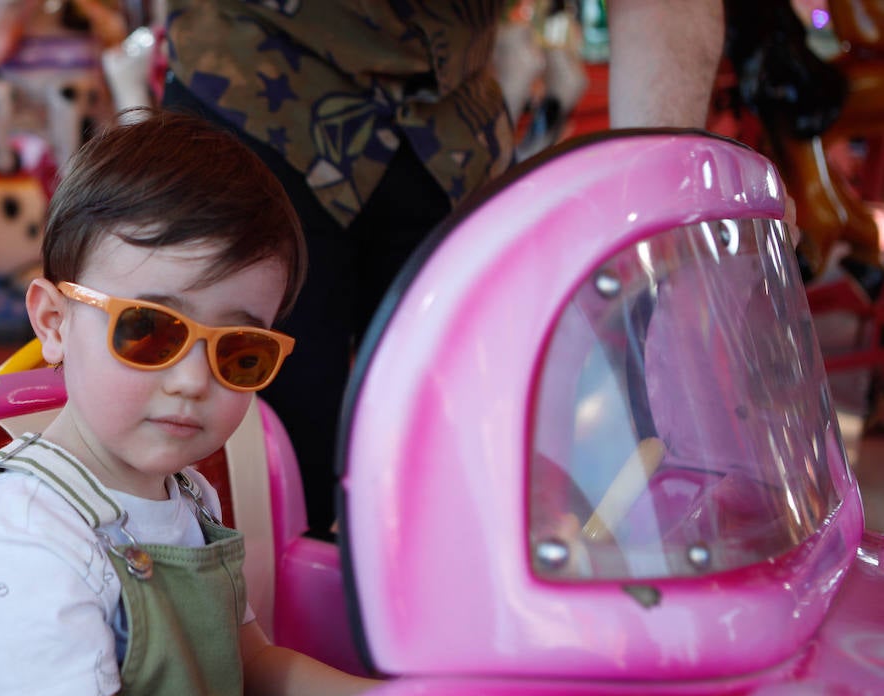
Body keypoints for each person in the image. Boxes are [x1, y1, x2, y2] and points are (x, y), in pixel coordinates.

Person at [0, 107, 380, 696]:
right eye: (150, 332)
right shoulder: (33, 534)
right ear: (55, 324)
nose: (194, 379)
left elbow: (254, 665)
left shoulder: (184, 495)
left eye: (238, 351)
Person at [164, 0, 726, 538]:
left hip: (450, 134)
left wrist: (663, 199)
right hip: (254, 103)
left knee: (466, 459)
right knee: (264, 461)